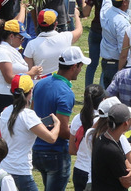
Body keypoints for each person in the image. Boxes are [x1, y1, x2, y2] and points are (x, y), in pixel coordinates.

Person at [32, 46, 89, 191]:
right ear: (74, 66)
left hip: (37, 149)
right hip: (55, 153)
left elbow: (32, 114)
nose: (81, 70)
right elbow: (63, 131)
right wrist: (76, 134)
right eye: (80, 66)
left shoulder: (40, 84)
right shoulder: (66, 93)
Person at [0, 74, 61, 191]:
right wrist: (57, 124)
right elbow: (51, 138)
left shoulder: (5, 112)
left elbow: (20, 128)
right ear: (30, 92)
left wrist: (39, 124)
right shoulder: (28, 115)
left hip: (5, 167)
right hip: (21, 171)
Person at [0, 19, 43, 136]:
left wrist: (32, 76)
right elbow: (9, 78)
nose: (22, 41)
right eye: (21, 38)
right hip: (4, 96)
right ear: (11, 36)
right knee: (3, 134)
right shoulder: (2, 51)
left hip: (13, 95)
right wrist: (31, 73)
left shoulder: (11, 50)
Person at [91, 103, 131, 191]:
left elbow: (126, 161)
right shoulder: (112, 150)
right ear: (126, 123)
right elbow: (126, 183)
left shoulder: (103, 137)